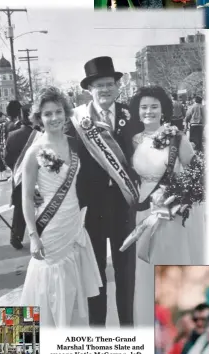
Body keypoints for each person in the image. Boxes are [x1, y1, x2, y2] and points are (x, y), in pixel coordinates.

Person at [20, 87, 102, 326]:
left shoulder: (76, 144)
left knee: (71, 287)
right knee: (49, 282)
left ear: (66, 114)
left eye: (58, 112)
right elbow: (26, 198)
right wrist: (33, 236)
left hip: (74, 222)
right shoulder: (34, 152)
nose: (54, 118)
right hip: (49, 226)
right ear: (39, 118)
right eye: (47, 114)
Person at [71, 56, 138, 326]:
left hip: (125, 206)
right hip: (92, 208)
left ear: (117, 86)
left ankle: (128, 328)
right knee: (95, 272)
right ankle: (97, 330)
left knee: (126, 272)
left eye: (110, 84)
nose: (106, 90)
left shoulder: (130, 115)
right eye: (99, 85)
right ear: (89, 89)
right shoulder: (77, 119)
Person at [129, 86, 205, 326]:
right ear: (137, 111)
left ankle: (177, 320)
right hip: (143, 208)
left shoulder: (177, 137)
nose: (148, 111)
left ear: (163, 110)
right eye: (144, 107)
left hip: (170, 212)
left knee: (170, 262)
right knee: (146, 265)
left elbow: (197, 174)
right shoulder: (134, 139)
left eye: (154, 106)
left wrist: (175, 197)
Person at [5, 105, 39, 250]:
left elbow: (6, 158)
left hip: (19, 177)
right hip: (38, 177)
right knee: (39, 206)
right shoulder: (41, 136)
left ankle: (16, 237)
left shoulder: (12, 135)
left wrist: (16, 169)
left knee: (20, 208)